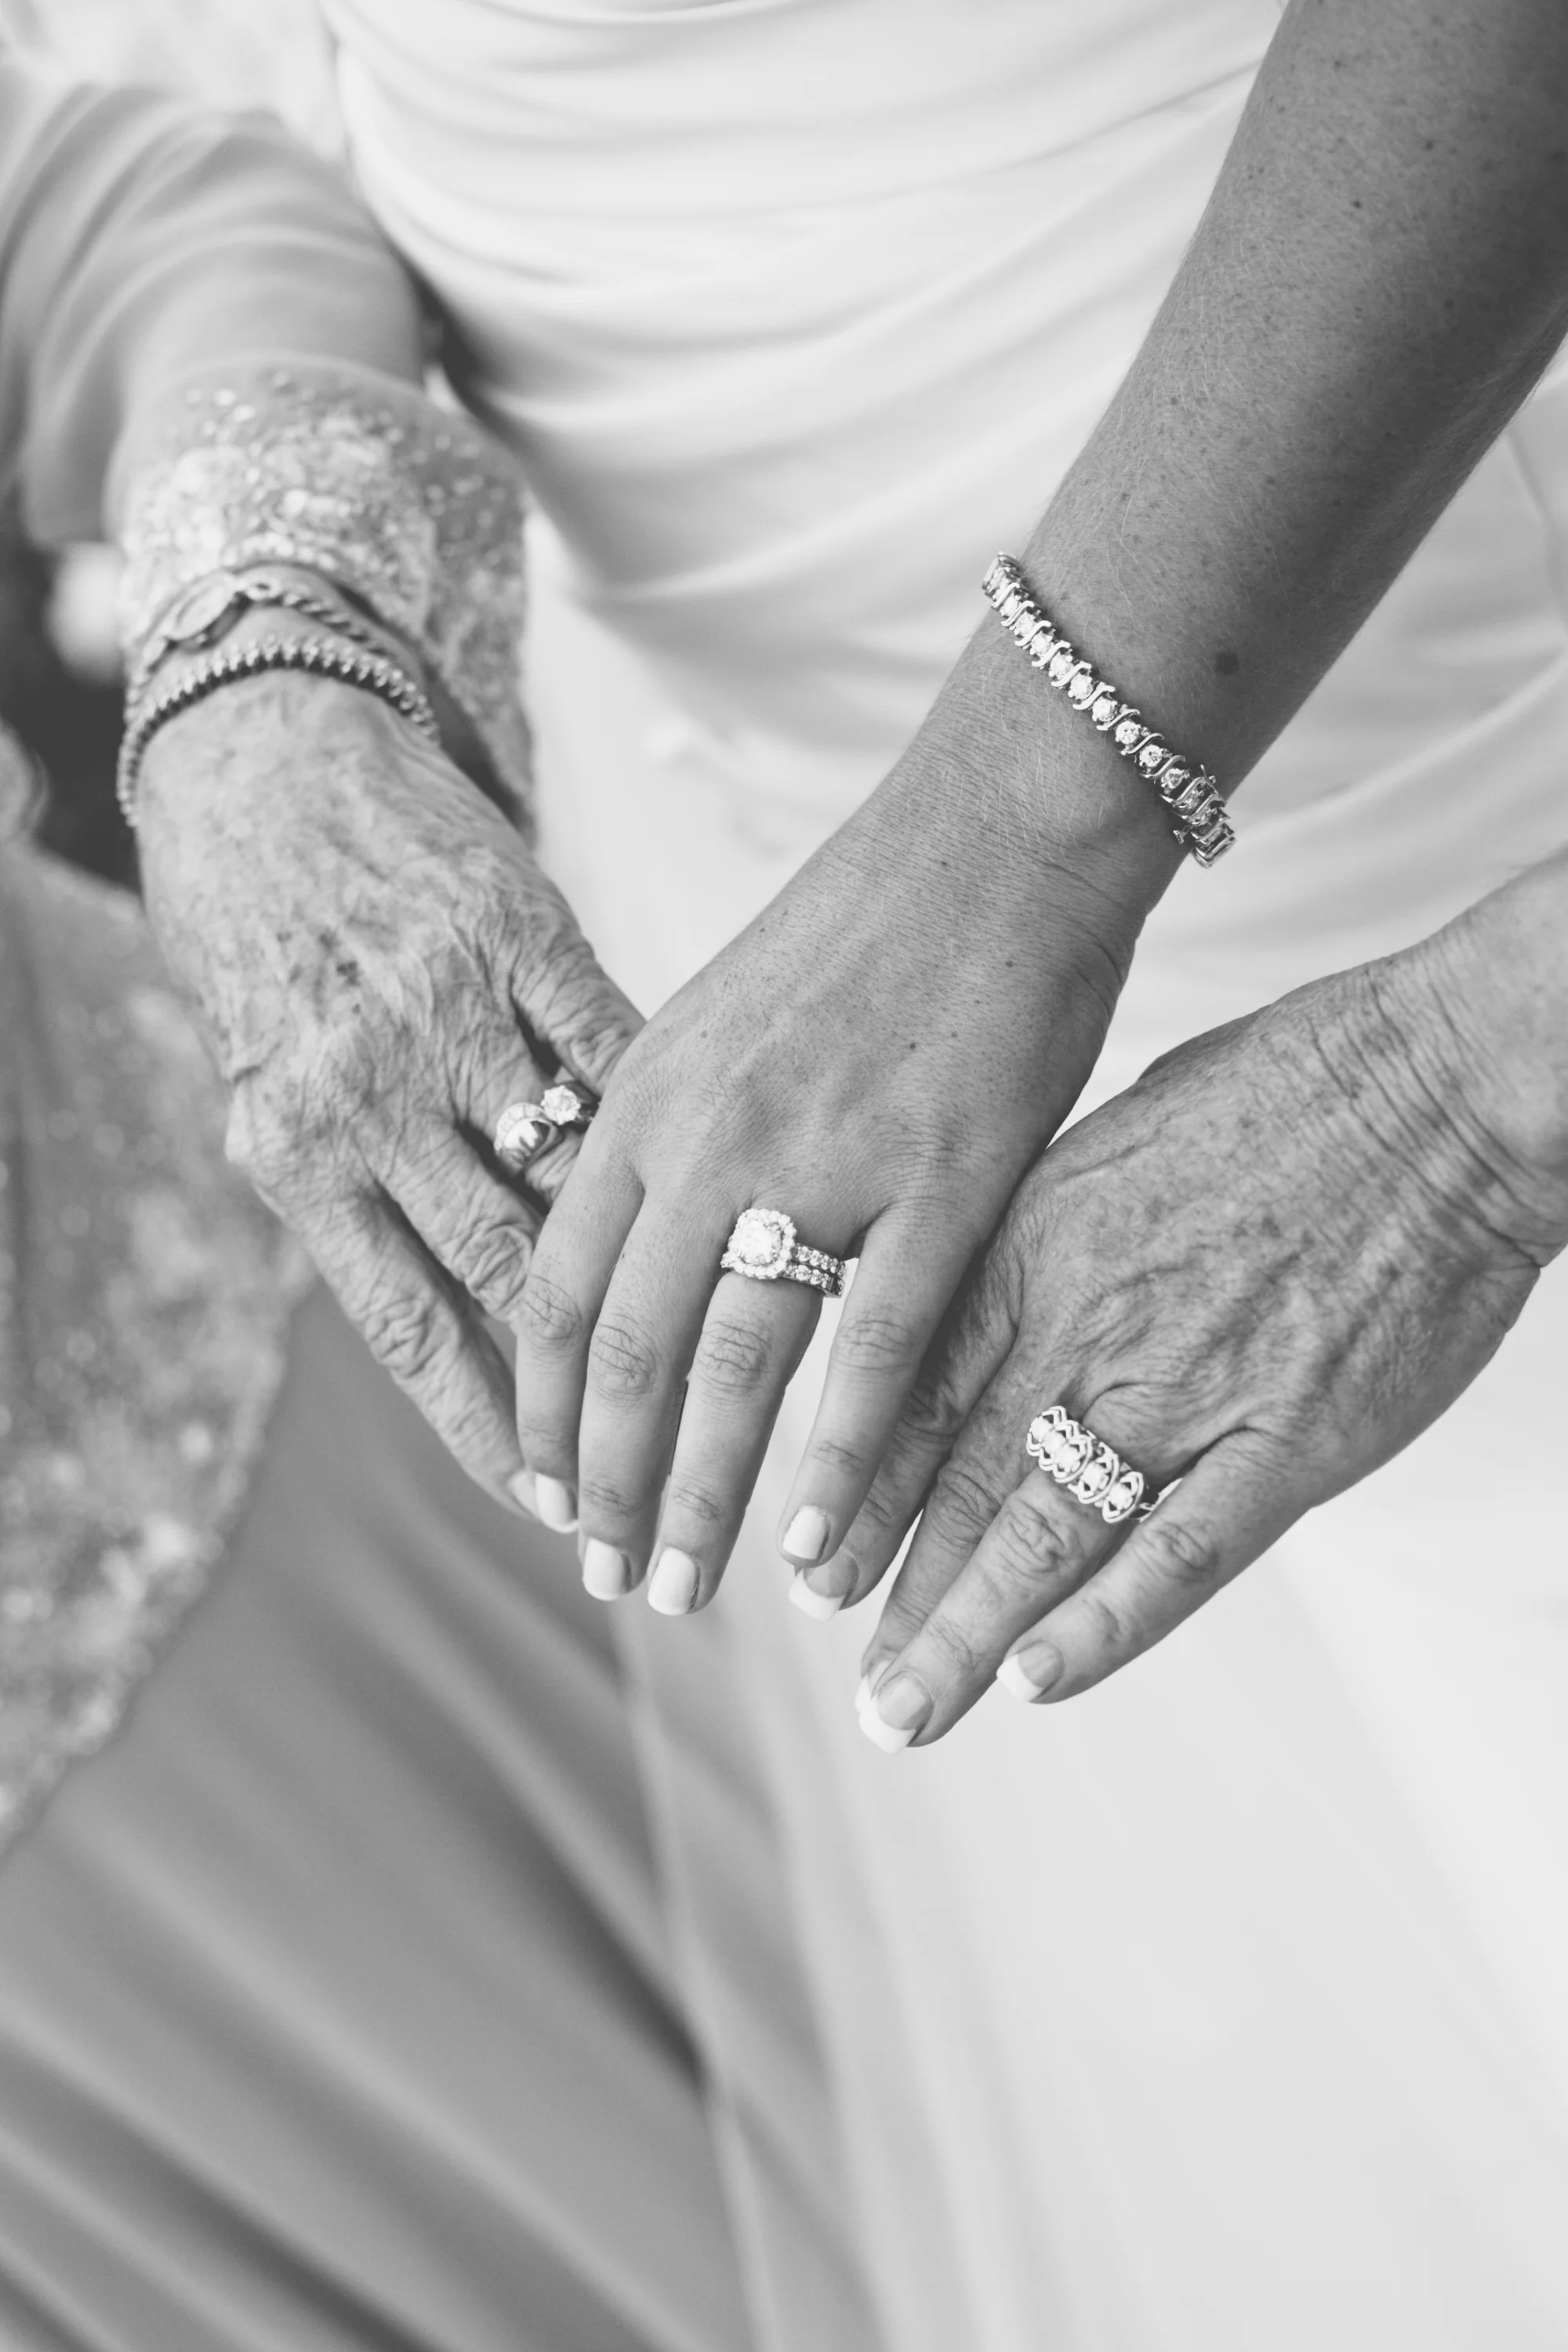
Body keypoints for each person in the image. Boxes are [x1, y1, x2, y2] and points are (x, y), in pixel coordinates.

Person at [6, 5, 1568, 2346]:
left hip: (1351, 547)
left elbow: (97, 217)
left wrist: (1065, 864)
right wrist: (266, 693)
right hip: (756, 841)